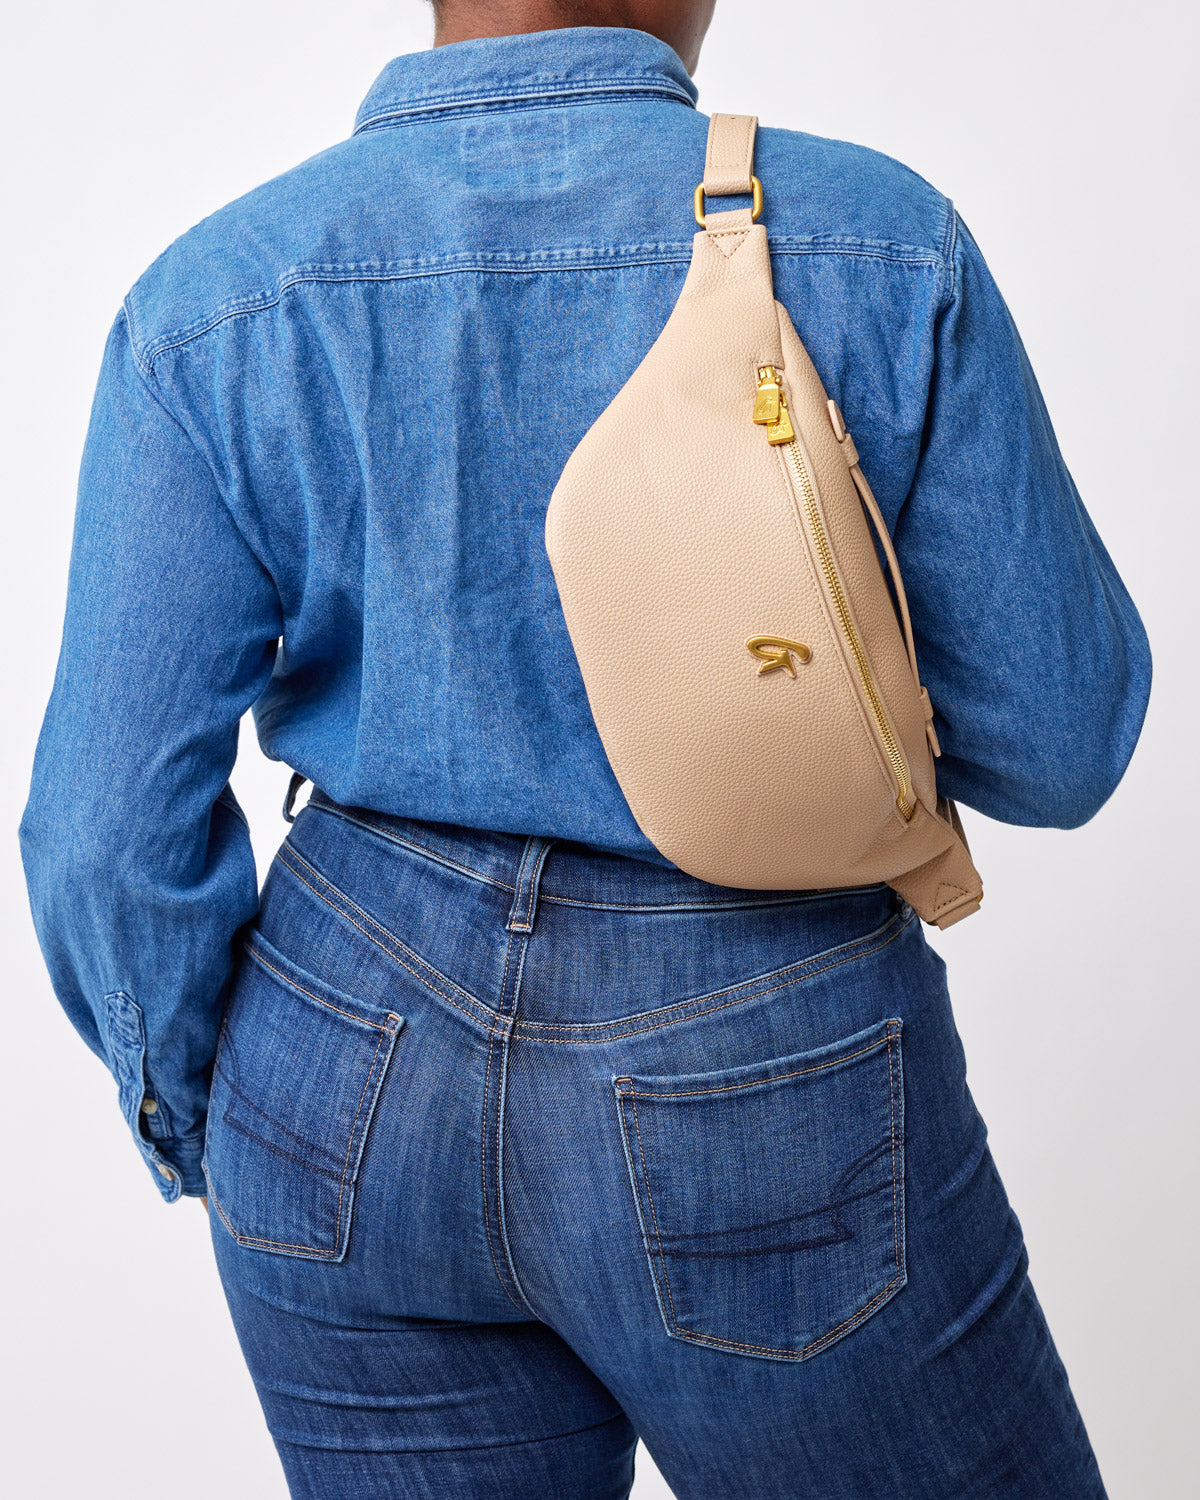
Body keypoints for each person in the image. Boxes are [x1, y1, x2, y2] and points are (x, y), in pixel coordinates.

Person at [19, 1, 1149, 1496]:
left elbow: (101, 828)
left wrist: (214, 1121)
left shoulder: (217, 298)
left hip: (340, 1061)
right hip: (760, 1050)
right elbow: (1060, 745)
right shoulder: (877, 243)